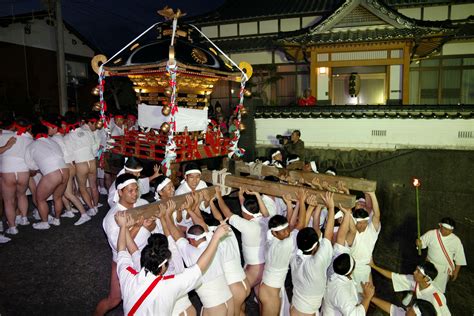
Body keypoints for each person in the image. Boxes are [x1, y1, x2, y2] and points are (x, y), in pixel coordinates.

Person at [115, 208, 231, 315]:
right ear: (163, 264)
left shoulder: (128, 275)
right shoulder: (170, 282)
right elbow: (199, 267)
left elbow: (123, 251)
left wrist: (123, 227)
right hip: (190, 310)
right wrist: (215, 238)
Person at [94, 173, 152, 316]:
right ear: (120, 192)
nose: (135, 194)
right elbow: (120, 248)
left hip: (146, 256)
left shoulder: (143, 204)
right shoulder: (113, 216)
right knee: (114, 299)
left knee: (147, 294)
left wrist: (149, 224)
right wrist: (138, 227)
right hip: (124, 261)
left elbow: (153, 227)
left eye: (136, 190)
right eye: (130, 191)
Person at [166, 199, 234, 316]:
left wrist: (167, 215)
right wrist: (189, 210)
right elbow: (203, 225)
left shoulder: (192, 252)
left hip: (214, 307)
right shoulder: (213, 243)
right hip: (229, 299)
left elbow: (176, 235)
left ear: (191, 240)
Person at [259, 190, 307, 316]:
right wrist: (301, 202)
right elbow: (300, 224)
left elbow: (290, 225)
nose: (287, 233)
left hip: (268, 287)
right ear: (275, 233)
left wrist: (290, 205)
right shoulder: (284, 244)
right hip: (270, 291)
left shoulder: (270, 236)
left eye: (287, 230)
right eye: (283, 232)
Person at [290, 192, 335, 316]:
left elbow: (300, 228)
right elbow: (328, 234)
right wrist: (331, 208)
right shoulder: (318, 261)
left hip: (295, 307)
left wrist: (310, 207)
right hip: (307, 312)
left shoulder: (293, 254)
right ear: (316, 244)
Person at [210, 187, 251, 316]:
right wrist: (211, 202)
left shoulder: (215, 240)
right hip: (244, 282)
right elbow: (220, 218)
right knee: (241, 311)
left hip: (234, 286)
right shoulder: (228, 230)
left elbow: (204, 224)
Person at [44, 116, 91, 226]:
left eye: (48, 127)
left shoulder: (53, 139)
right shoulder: (62, 137)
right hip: (71, 165)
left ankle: (84, 214)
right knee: (62, 192)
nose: (47, 129)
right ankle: (69, 211)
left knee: (68, 193)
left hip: (66, 167)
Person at [25, 124, 70, 230]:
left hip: (52, 173)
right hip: (64, 170)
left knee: (40, 199)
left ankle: (45, 223)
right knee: (57, 197)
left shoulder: (32, 145)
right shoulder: (53, 142)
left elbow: (31, 166)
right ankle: (57, 219)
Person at [369, 260, 451, 315]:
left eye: (418, 272)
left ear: (426, 278)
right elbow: (393, 276)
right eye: (416, 269)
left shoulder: (436, 297)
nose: (414, 272)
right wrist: (374, 266)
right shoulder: (415, 280)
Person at [0, 118, 33, 235]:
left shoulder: (2, 136)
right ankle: (24, 218)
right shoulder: (28, 138)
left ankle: (13, 227)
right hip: (23, 170)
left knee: (8, 201)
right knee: (22, 195)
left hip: (7, 170)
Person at [416, 217, 466, 293]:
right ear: (440, 225)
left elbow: (460, 257)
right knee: (423, 286)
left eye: (450, 230)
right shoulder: (431, 234)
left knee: (438, 290)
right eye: (445, 229)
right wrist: (419, 243)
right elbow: (421, 244)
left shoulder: (456, 240)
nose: (447, 232)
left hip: (443, 270)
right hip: (429, 266)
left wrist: (456, 272)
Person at [346, 191, 381, 293]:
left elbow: (377, 215)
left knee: (366, 296)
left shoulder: (372, 230)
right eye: (360, 223)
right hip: (351, 270)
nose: (363, 226)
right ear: (354, 222)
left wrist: (372, 194)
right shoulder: (350, 233)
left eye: (365, 222)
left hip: (366, 268)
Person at [371, 297, 437, 316]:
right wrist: (370, 298)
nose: (407, 308)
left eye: (411, 309)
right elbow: (390, 308)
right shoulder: (404, 314)